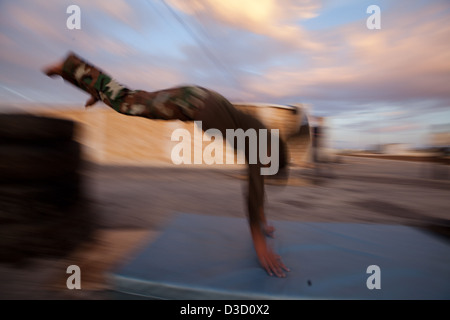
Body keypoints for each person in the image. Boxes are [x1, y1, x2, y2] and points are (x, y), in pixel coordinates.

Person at [43, 52, 290, 277]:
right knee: (128, 102)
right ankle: (71, 66)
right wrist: (260, 244)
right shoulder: (259, 148)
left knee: (129, 101)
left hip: (200, 99)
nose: (263, 169)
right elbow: (253, 193)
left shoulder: (262, 134)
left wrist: (262, 220)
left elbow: (258, 192)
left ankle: (91, 86)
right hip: (193, 103)